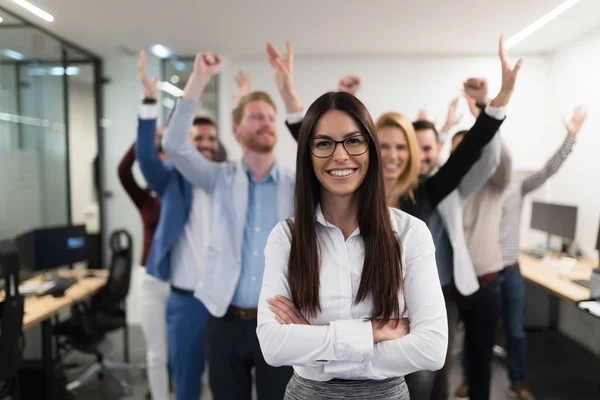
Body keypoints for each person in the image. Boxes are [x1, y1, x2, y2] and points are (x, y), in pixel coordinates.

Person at [257, 91, 448, 400]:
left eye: (353, 140)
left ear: (370, 149)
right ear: (308, 154)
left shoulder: (411, 233)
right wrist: (371, 333)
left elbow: (431, 349)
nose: (340, 155)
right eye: (324, 143)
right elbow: (273, 346)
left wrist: (317, 349)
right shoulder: (286, 237)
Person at [161, 51, 295, 400]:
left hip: (280, 322)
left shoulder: (297, 185)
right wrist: (199, 79)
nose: (265, 122)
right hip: (224, 319)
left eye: (270, 117)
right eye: (255, 117)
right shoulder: (219, 178)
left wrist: (287, 92)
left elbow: (315, 146)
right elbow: (174, 145)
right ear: (235, 130)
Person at [455, 105, 588, 400]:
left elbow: (548, 170)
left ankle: (518, 380)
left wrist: (570, 138)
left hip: (511, 270)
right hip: (480, 273)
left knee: (516, 331)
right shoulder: (468, 189)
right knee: (475, 333)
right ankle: (469, 378)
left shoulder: (516, 186)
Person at [135, 50, 224, 400]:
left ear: (218, 147)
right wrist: (149, 100)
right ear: (186, 144)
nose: (204, 144)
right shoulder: (170, 179)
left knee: (226, 383)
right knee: (186, 381)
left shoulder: (228, 181)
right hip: (185, 300)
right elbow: (145, 156)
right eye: (197, 139)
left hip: (224, 303)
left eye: (210, 140)